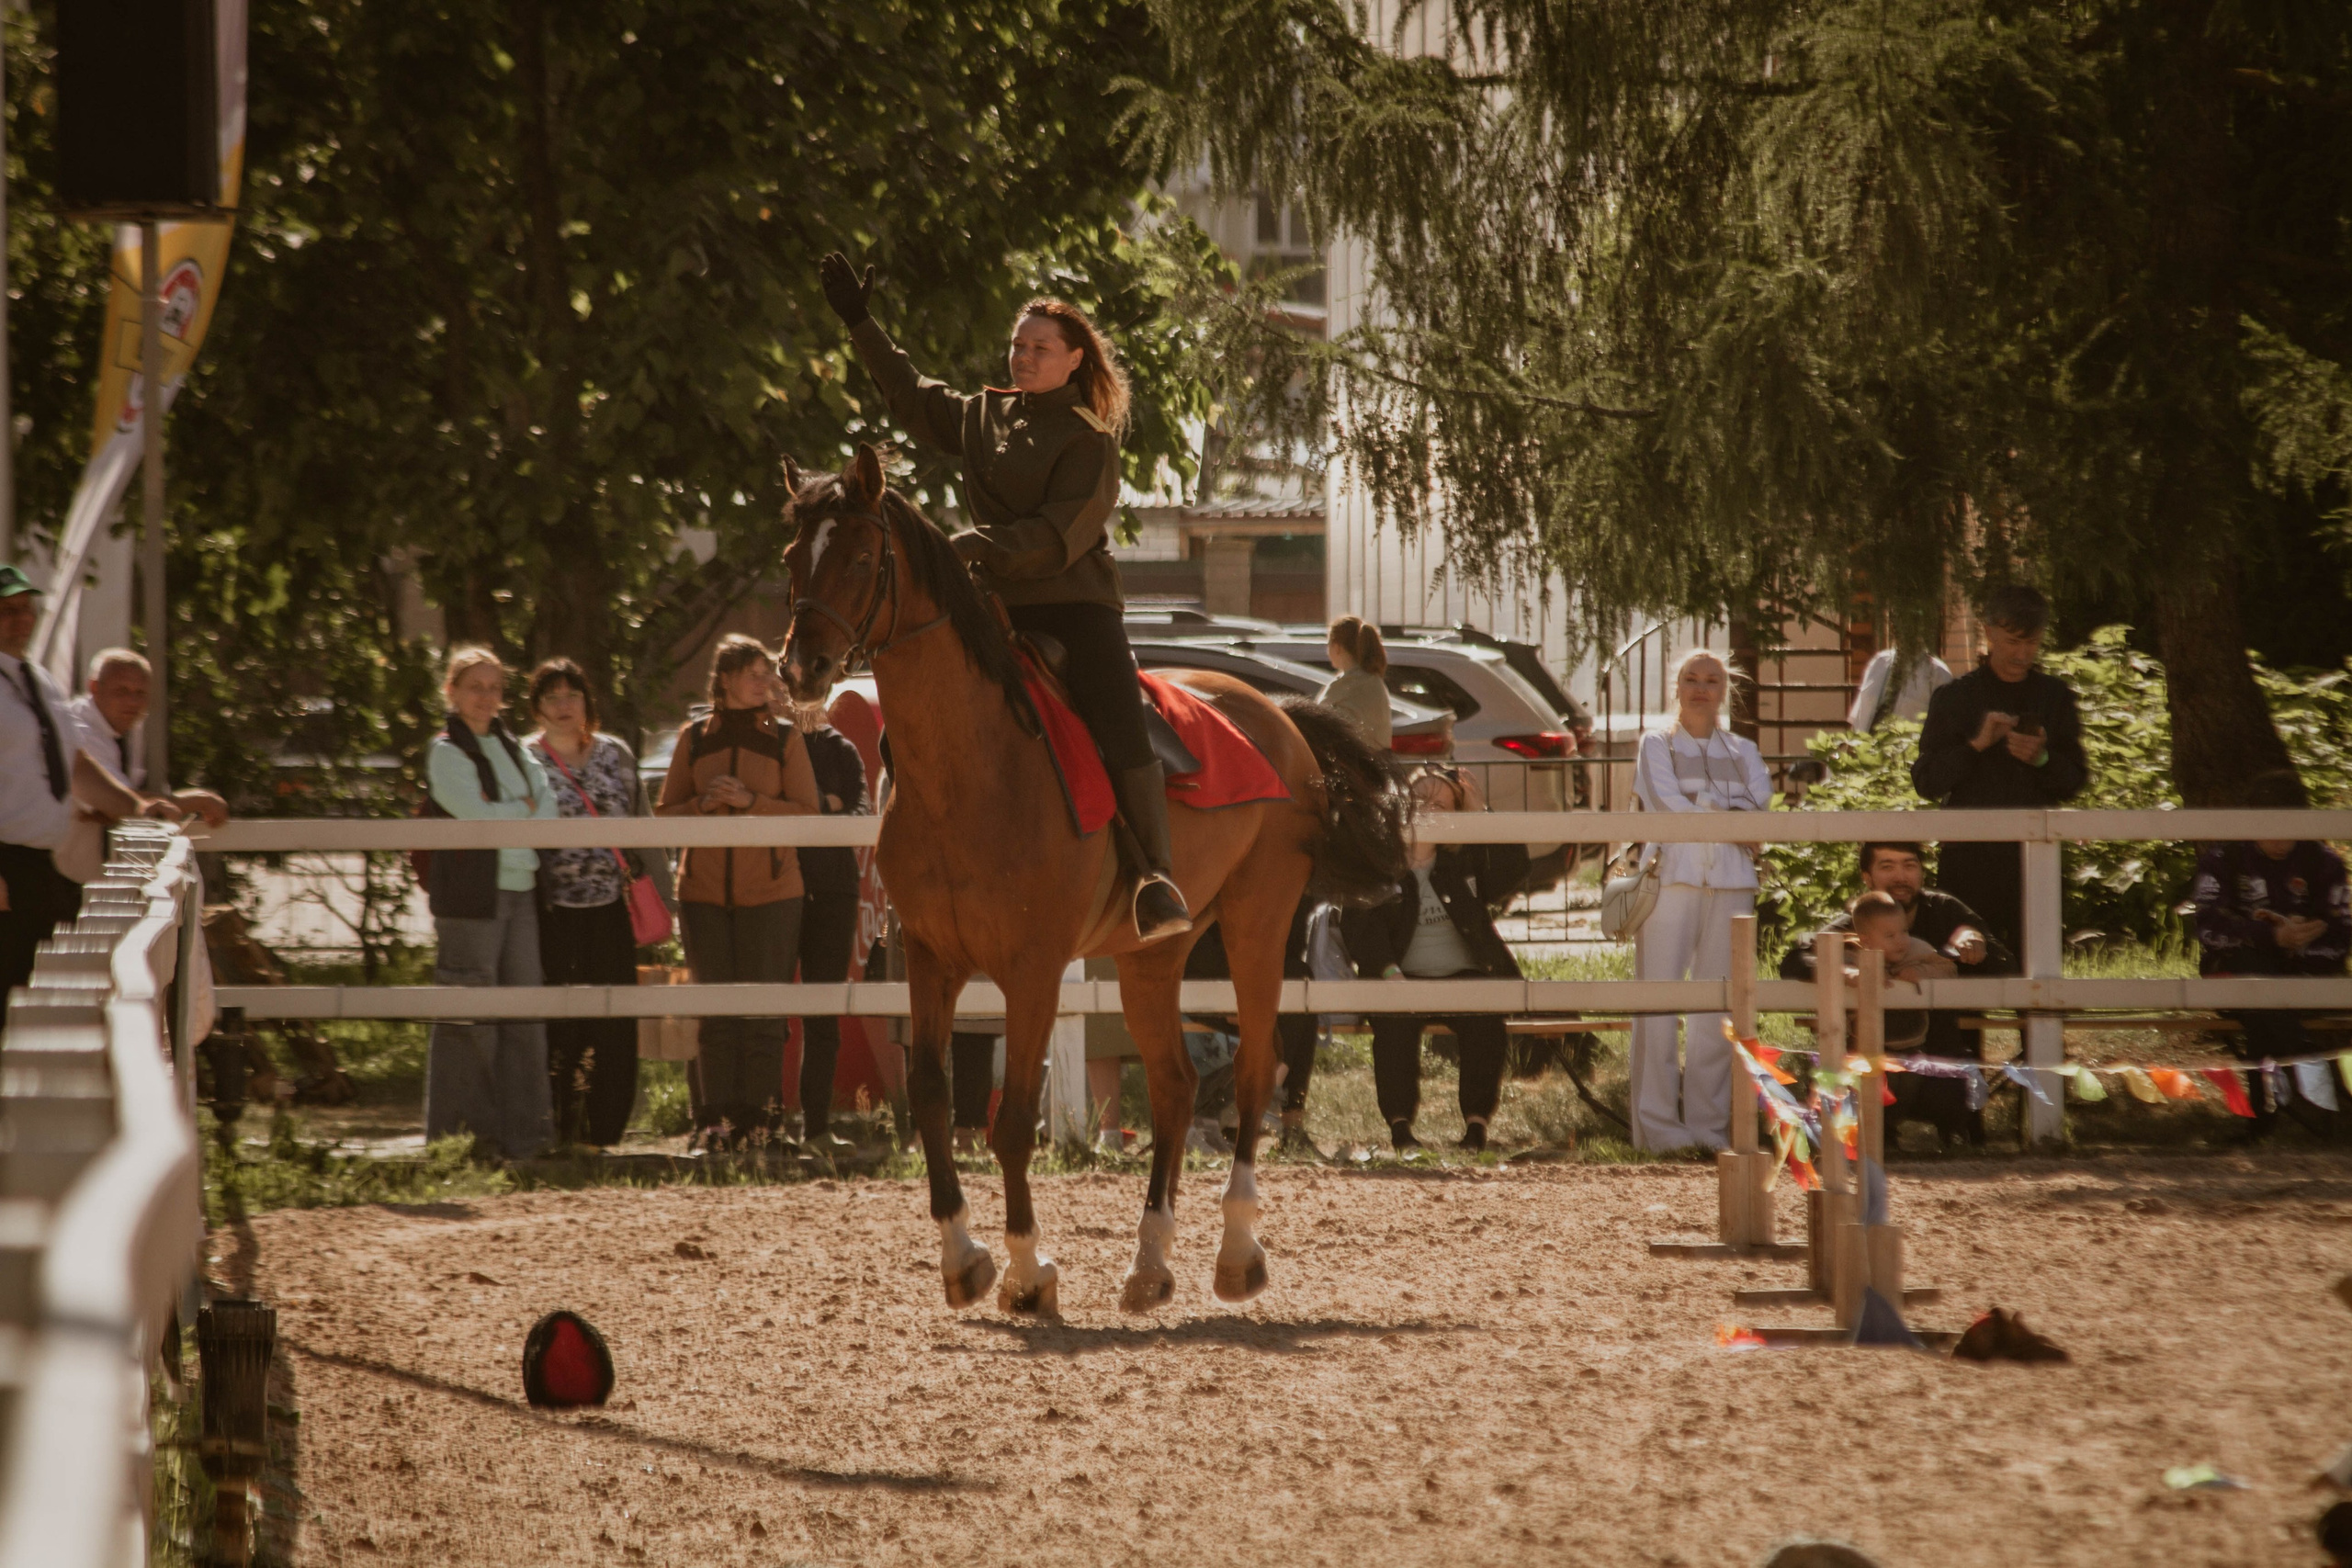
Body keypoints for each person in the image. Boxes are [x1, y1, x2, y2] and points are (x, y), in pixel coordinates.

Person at [820, 251, 1191, 942]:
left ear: (1075, 360)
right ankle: (920, 855)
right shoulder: (983, 415)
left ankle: (1153, 878)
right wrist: (860, 321)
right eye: (1018, 345)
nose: (1023, 357)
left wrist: (976, 546)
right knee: (922, 712)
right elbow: (910, 395)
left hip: (1074, 603)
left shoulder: (1089, 440)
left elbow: (1059, 535)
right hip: (991, 603)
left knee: (1117, 719)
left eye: (1040, 348)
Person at [657, 635, 820, 1144]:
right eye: (753, 674)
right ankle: (714, 1123)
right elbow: (663, 817)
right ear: (724, 680)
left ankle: (762, 1123)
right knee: (715, 1014)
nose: (765, 683)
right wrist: (701, 809)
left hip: (773, 895)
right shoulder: (693, 738)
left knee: (764, 1014)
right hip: (702, 895)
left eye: (767, 674)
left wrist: (752, 802)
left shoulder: (785, 739)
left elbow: (810, 816)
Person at [0, 567, 181, 1002]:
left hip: (39, 865)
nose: (22, 620)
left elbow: (74, 763)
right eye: (7, 611)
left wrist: (135, 807)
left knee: (39, 994)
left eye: (26, 609)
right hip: (4, 867)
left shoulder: (37, 681)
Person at [1629, 649, 1773, 1152]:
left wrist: (1716, 813)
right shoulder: (1655, 744)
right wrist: (1727, 814)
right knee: (1659, 1005)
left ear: (1724, 690)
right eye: (1691, 678)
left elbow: (1759, 808)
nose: (1700, 688)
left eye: (1712, 680)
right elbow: (1667, 805)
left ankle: (1709, 1129)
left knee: (1718, 1010)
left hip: (1732, 883)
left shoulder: (1744, 750)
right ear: (1677, 686)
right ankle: (1660, 1130)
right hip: (1671, 879)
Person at [1341, 766, 1528, 1152]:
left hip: (1468, 974)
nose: (1427, 809)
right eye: (1419, 799)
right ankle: (1401, 1130)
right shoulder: (1380, 863)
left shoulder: (1462, 864)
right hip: (1401, 978)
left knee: (1485, 1023)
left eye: (1440, 804)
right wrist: (1390, 974)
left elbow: (1515, 868)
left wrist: (1481, 814)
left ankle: (1475, 1129)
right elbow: (1359, 927)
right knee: (1393, 1027)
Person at [424, 646, 560, 1160]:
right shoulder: (445, 751)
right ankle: (463, 1142)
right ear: (452, 692)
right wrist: (519, 809)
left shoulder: (513, 747)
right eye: (475, 687)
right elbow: (474, 818)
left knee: (526, 1014)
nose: (486, 697)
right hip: (470, 897)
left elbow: (547, 810)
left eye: (495, 688)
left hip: (523, 889)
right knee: (467, 1018)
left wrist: (514, 813)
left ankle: (528, 1139)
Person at [1779, 840, 2012, 1142]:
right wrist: (1842, 971)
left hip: (1938, 1054)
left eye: (1909, 865)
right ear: (1867, 877)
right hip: (1867, 1058)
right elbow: (1796, 961)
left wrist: (1974, 940)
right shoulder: (1860, 917)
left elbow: (2003, 961)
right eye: (1887, 866)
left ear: (1922, 872)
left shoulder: (1945, 910)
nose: (1900, 876)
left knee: (1950, 1096)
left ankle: (1959, 1135)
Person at [1911, 584, 2086, 958]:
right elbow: (1926, 781)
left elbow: (2074, 780)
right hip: (1968, 861)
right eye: (2012, 642)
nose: (2022, 654)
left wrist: (2042, 759)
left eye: (2032, 643)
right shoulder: (1956, 698)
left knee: (2036, 972)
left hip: (2033, 858)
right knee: (1966, 976)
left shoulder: (2055, 697)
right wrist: (1975, 746)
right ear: (1988, 632)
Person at [524, 658, 653, 1147]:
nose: (562, 706)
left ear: (587, 703)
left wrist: (663, 900)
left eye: (571, 695)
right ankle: (559, 1122)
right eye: (551, 697)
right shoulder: (523, 758)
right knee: (562, 1020)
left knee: (616, 1022)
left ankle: (605, 1131)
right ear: (536, 707)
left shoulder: (615, 753)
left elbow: (643, 827)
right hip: (551, 913)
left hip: (610, 907)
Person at [2193, 768, 2350, 1139]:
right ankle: (2304, 1062)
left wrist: (2301, 943)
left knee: (2261, 1000)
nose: (2280, 841)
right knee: (2251, 974)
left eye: (2289, 828)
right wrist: (2269, 935)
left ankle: (2261, 1119)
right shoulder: (2223, 859)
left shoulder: (2324, 863)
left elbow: (2342, 936)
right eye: (2268, 827)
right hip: (2234, 973)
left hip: (2306, 975)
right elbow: (2208, 929)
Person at [779, 689, 868, 1147]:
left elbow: (863, 811)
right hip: (776, 887)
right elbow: (771, 807)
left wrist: (816, 805)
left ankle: (816, 1128)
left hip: (834, 889)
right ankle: (768, 1125)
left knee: (822, 1015)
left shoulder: (842, 748)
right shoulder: (772, 744)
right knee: (768, 1008)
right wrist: (823, 802)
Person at [66, 647, 230, 826]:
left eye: (140, 693)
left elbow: (120, 806)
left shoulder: (132, 725)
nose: (132, 702)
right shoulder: (76, 729)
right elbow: (114, 800)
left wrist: (115, 811)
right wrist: (198, 802)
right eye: (121, 691)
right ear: (94, 687)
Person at [1845, 889, 1958, 1050]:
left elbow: (1948, 969)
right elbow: (1834, 972)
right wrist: (1860, 975)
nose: (1901, 941)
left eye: (1904, 931)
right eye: (1890, 936)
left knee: (1911, 1073)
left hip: (1912, 1043)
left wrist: (1921, 972)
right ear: (1866, 940)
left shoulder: (1918, 949)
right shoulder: (1854, 956)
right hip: (1862, 1044)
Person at [1318, 616, 1392, 749]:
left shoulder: (1344, 685)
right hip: (1378, 763)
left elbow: (1316, 725)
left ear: (1337, 647)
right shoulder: (1373, 681)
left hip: (1353, 765)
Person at [1848, 645, 1953, 732]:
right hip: (1868, 751)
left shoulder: (1938, 673)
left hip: (1909, 754)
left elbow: (1946, 729)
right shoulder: (1880, 661)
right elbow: (1859, 718)